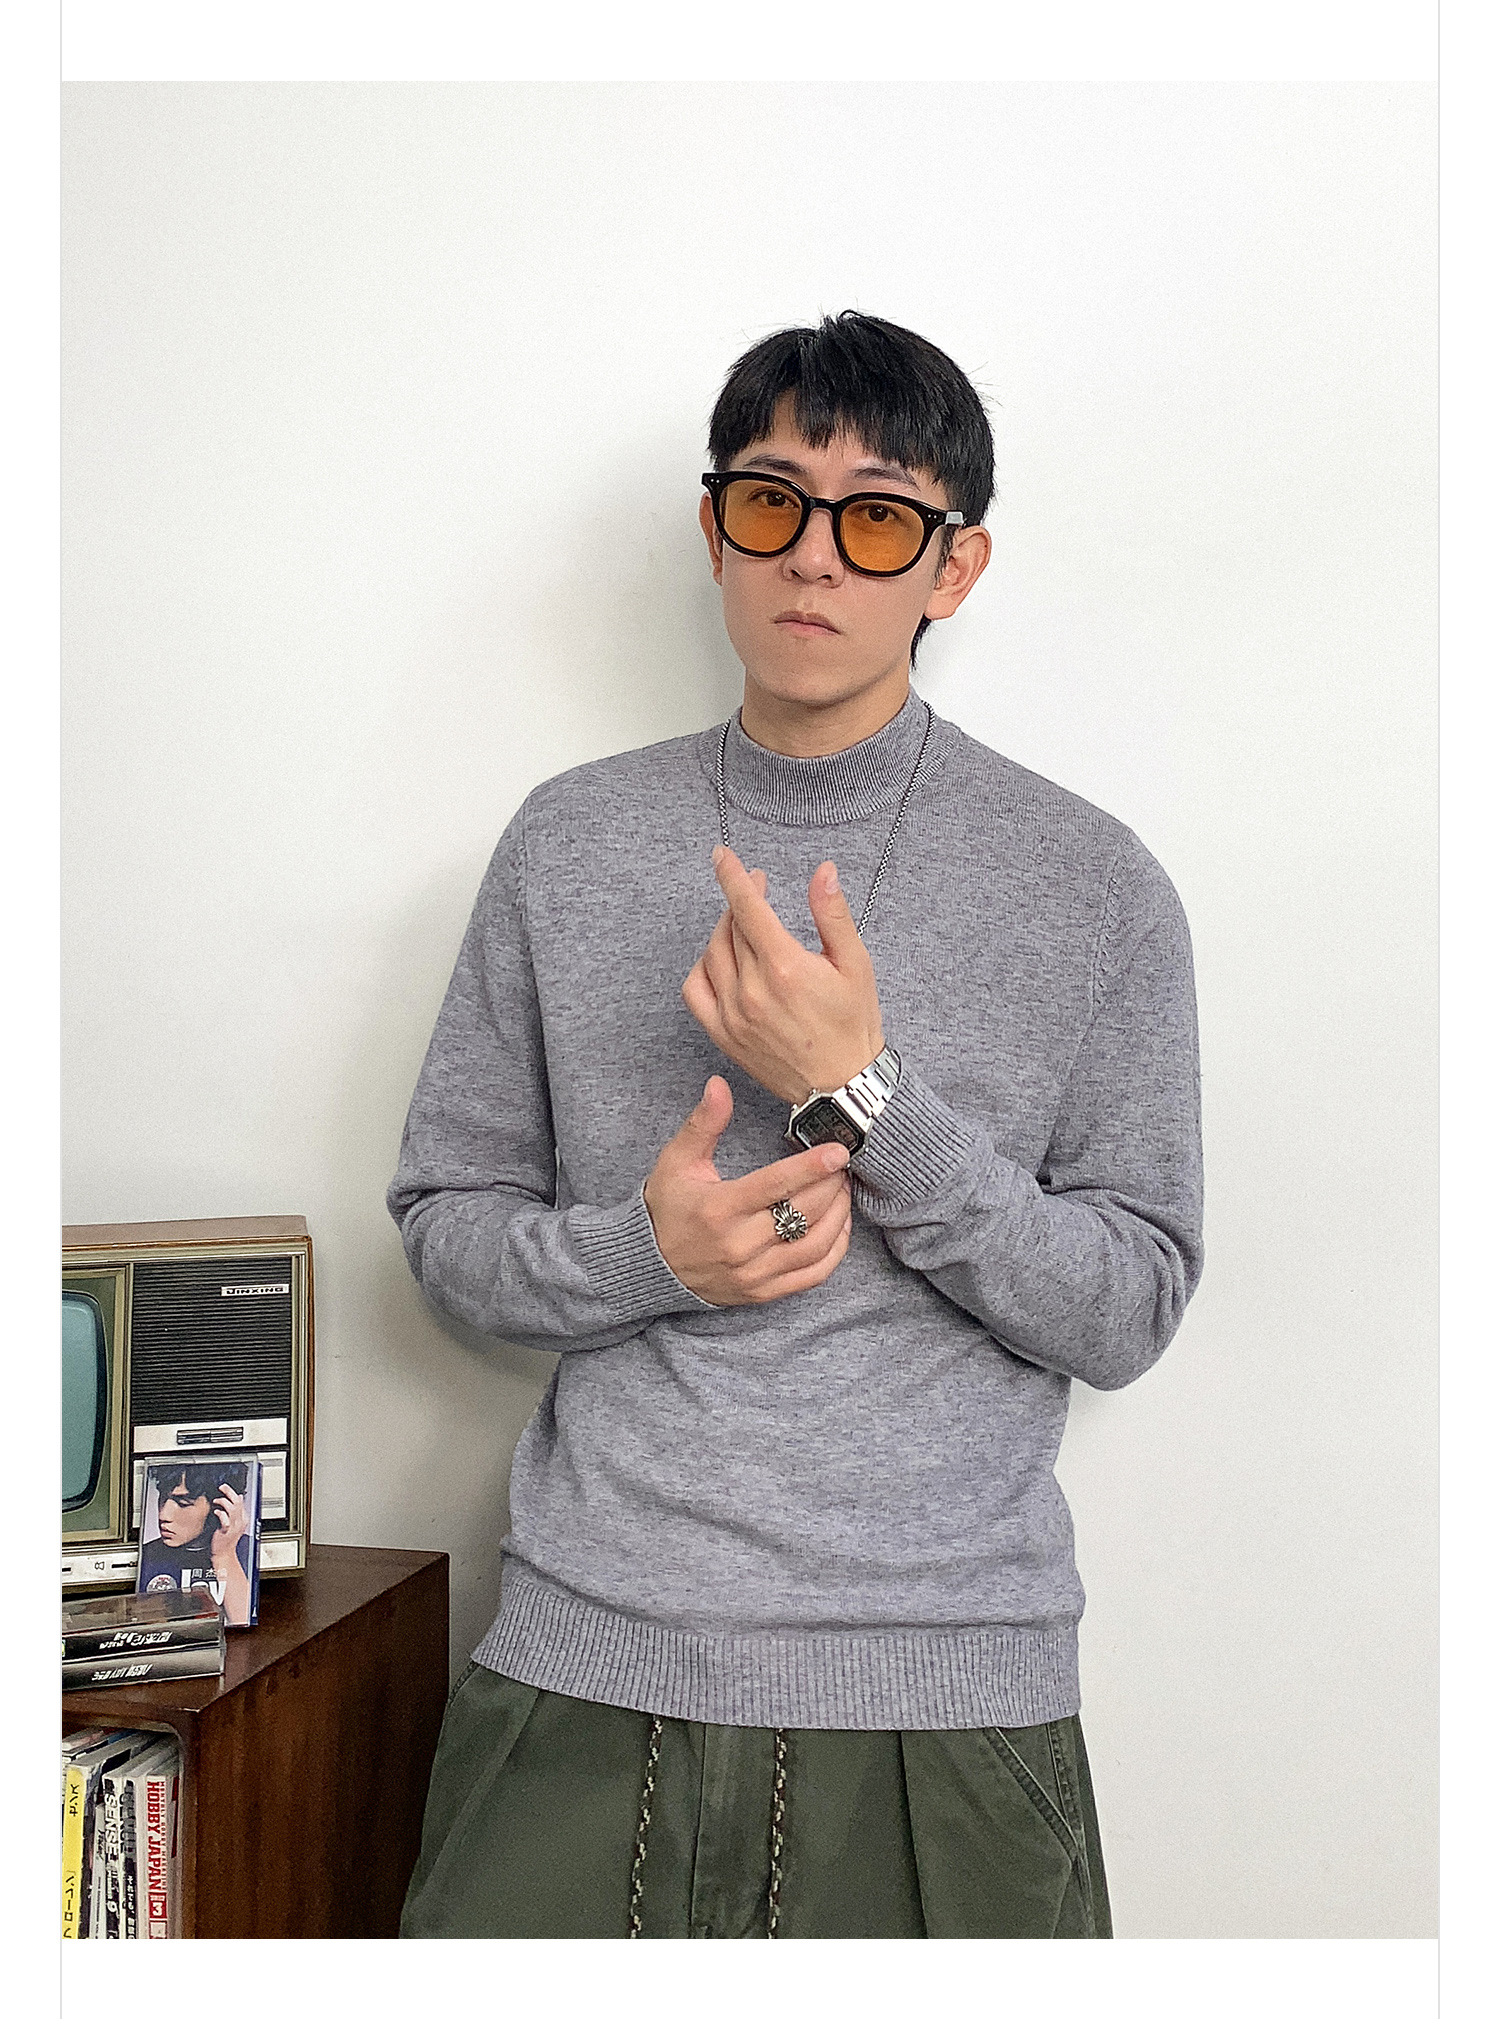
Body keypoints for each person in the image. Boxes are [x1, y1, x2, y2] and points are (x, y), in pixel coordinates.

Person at [388, 311, 1204, 1939]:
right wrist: (651, 1253)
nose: (814, 555)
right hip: (589, 1657)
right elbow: (445, 1222)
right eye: (772, 500)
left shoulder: (1094, 881)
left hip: (947, 1699)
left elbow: (1126, 1307)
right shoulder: (569, 841)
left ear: (954, 565)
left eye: (878, 515)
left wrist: (866, 1096)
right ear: (715, 529)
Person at [138, 1460, 254, 1626]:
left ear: (221, 1507)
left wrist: (224, 1555)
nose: (163, 1515)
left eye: (183, 1503)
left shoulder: (249, 1552)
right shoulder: (148, 1555)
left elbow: (243, 1624)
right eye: (163, 1498)